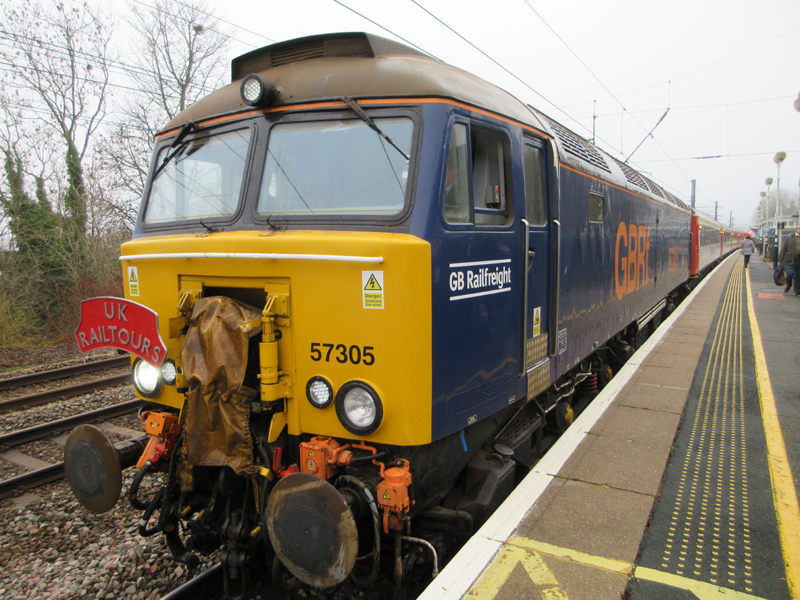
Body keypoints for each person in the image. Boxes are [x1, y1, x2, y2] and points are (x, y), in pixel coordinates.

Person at [778, 225, 800, 294]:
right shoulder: (789, 238)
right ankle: (788, 285)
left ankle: (797, 290)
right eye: (799, 228)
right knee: (791, 273)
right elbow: (784, 248)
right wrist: (780, 259)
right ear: (796, 229)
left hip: (799, 260)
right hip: (790, 260)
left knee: (798, 276)